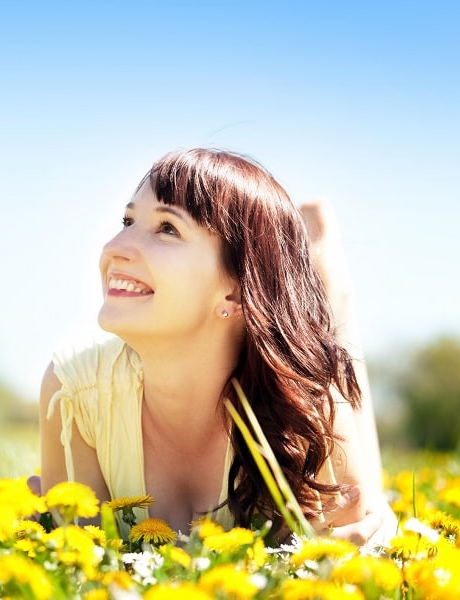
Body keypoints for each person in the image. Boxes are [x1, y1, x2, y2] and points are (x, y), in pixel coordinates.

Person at [38, 148, 395, 545]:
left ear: (236, 293)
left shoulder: (309, 405)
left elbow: (349, 538)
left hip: (297, 375)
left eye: (167, 228)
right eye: (127, 220)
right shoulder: (74, 394)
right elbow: (83, 567)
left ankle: (330, 291)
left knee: (332, 354)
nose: (114, 247)